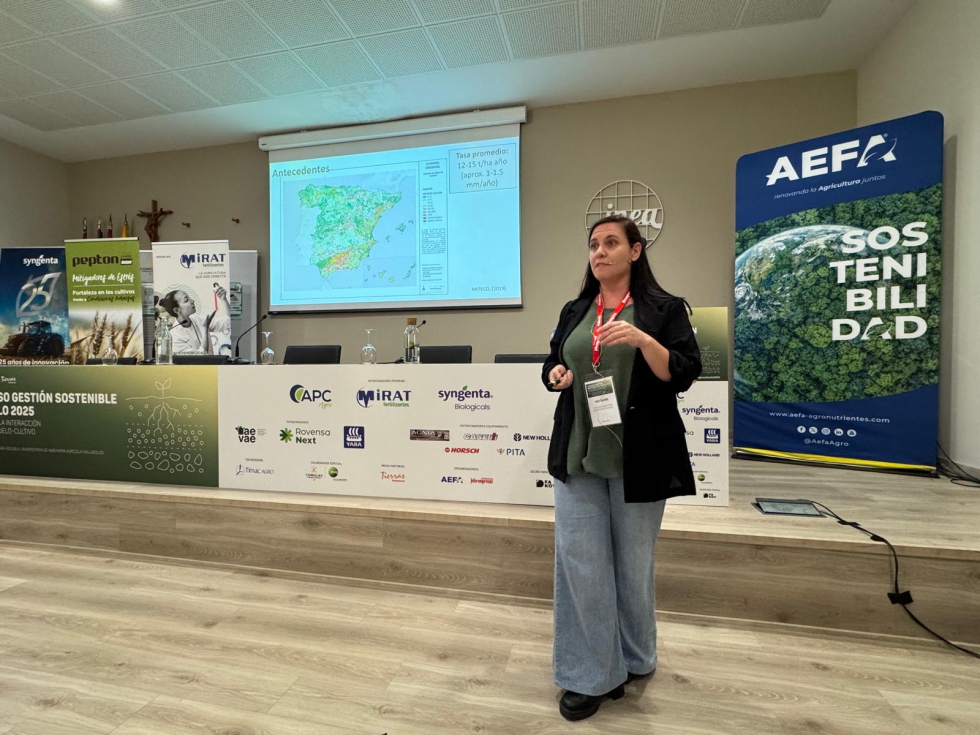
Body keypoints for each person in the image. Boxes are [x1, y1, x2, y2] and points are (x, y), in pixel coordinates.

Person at [541, 214, 701, 721]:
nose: (599, 251)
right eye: (593, 244)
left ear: (635, 250)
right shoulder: (575, 309)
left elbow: (684, 372)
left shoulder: (663, 309)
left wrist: (643, 340)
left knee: (633, 566)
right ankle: (590, 674)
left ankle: (635, 656)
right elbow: (552, 363)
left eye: (611, 242)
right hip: (579, 453)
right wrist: (556, 374)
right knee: (581, 565)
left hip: (641, 455)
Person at [159, 284, 232, 356]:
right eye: (186, 300)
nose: (192, 301)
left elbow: (228, 322)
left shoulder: (197, 319)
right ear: (176, 310)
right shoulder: (175, 336)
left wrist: (224, 299)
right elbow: (197, 358)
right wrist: (205, 328)